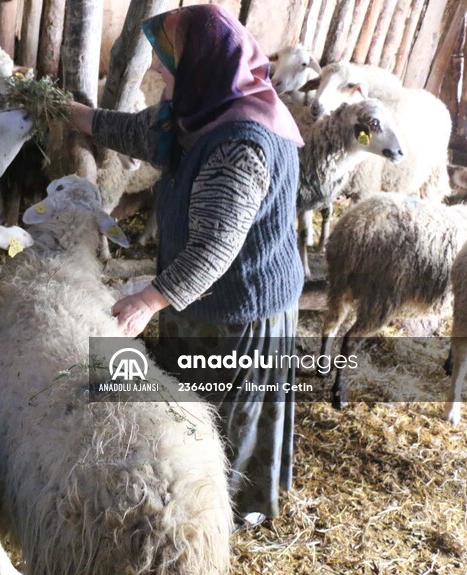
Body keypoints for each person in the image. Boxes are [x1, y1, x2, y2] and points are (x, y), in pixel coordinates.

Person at [68, 4, 304, 524]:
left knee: (227, 417)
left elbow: (215, 247)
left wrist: (148, 301)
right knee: (186, 403)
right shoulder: (204, 108)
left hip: (241, 307)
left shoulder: (241, 142)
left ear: (200, 65)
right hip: (198, 297)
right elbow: (140, 133)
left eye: (164, 61)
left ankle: (227, 517)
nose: (154, 70)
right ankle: (185, 494)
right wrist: (74, 115)